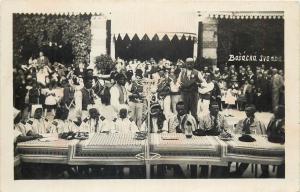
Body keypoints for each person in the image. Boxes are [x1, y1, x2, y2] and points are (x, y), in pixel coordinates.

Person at [231, 105, 268, 177]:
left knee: (262, 152)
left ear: (253, 112)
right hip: (242, 144)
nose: (246, 112)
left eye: (248, 111)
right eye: (245, 110)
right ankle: (237, 172)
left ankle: (265, 173)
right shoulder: (241, 121)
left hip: (256, 145)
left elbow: (263, 136)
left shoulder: (260, 123)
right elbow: (235, 134)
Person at [197, 102, 230, 178]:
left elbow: (226, 129)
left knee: (223, 150)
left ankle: (217, 171)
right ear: (209, 109)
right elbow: (201, 131)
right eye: (214, 108)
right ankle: (204, 170)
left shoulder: (222, 117)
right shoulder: (203, 118)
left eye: (217, 108)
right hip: (207, 139)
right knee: (205, 150)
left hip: (220, 139)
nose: (216, 110)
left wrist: (223, 133)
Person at [266, 105, 285, 178]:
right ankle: (265, 172)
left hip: (280, 146)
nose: (274, 112)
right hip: (271, 142)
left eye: (276, 111)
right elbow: (268, 131)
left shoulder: (285, 122)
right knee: (263, 152)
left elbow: (284, 136)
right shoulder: (273, 120)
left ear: (280, 113)